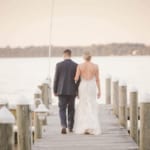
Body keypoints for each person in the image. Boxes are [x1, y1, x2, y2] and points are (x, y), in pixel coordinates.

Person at [74, 50, 101, 135]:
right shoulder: (95, 66)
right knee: (92, 105)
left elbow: (76, 78)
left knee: (83, 105)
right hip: (92, 86)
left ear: (84, 57)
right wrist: (99, 90)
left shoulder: (80, 66)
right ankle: (92, 126)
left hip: (83, 86)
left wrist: (76, 91)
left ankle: (84, 127)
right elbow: (97, 79)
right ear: (91, 57)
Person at [53, 49, 78, 134]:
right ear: (70, 55)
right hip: (72, 91)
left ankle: (63, 125)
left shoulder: (59, 65)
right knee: (71, 109)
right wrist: (77, 91)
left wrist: (54, 90)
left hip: (61, 90)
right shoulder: (75, 65)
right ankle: (70, 127)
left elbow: (56, 79)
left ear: (64, 55)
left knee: (62, 109)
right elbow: (78, 80)